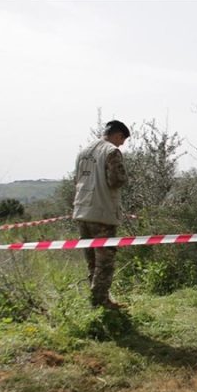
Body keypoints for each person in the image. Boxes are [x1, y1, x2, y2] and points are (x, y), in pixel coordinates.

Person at [73, 120, 130, 309]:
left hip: (82, 211)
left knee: (91, 261)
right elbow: (116, 180)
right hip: (102, 212)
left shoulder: (84, 152)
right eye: (122, 140)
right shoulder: (111, 151)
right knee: (104, 262)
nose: (121, 144)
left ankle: (96, 301)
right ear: (118, 135)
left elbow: (77, 179)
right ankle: (101, 303)